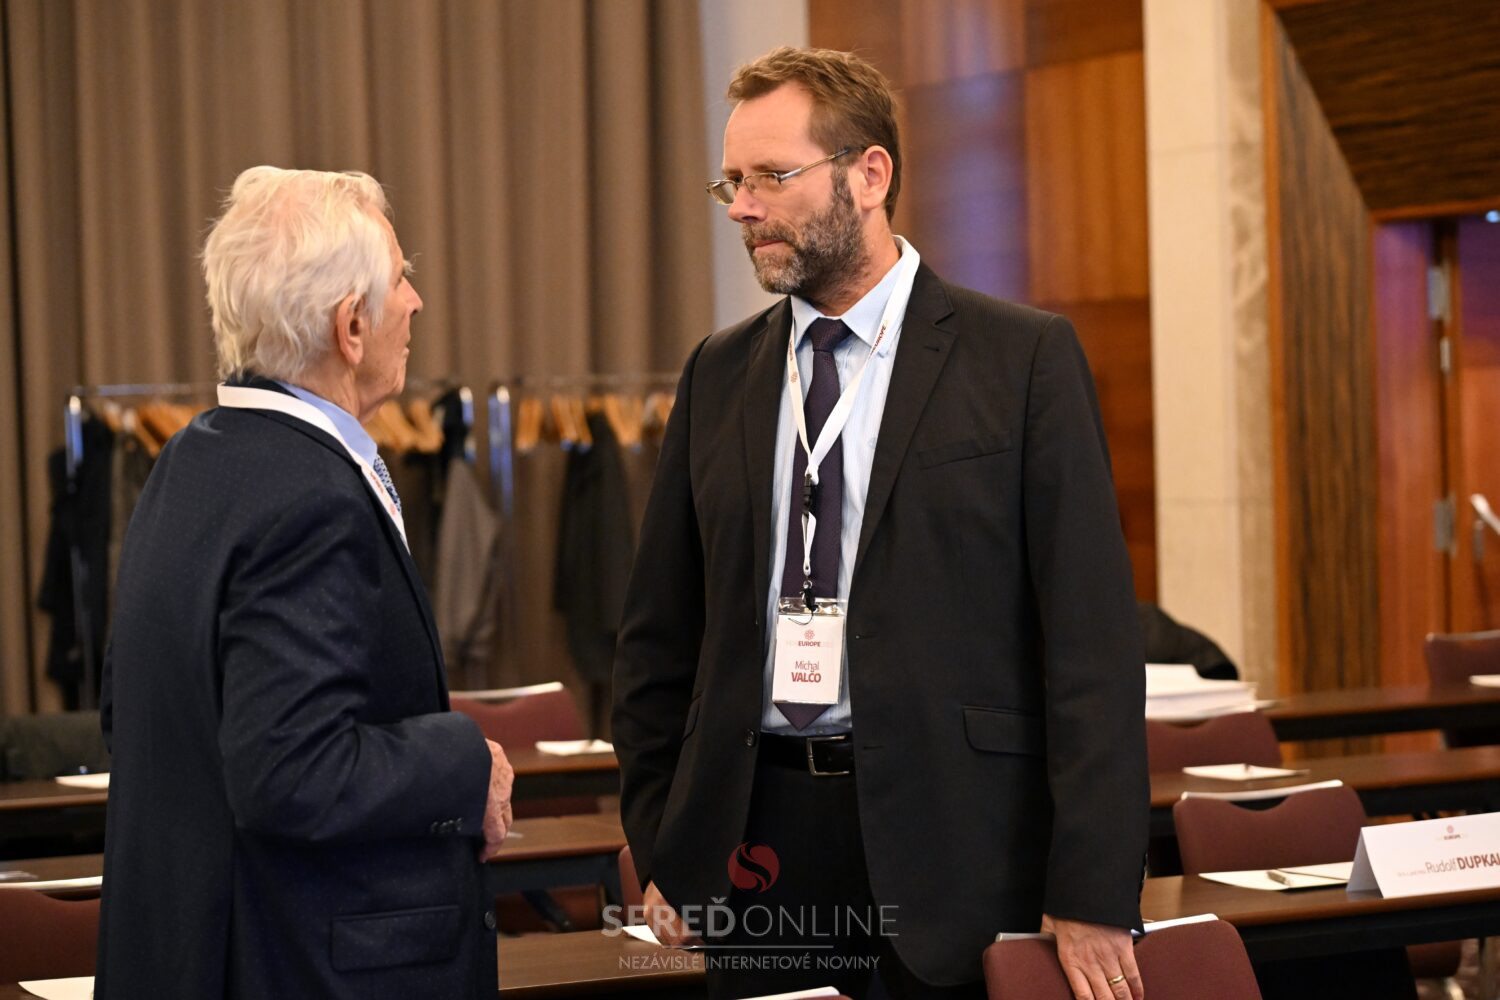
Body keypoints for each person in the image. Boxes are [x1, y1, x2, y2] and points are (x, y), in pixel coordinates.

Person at [612, 47, 1148, 1000]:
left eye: (770, 177)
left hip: (959, 848)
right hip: (756, 848)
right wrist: (666, 839)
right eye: (732, 182)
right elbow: (659, 636)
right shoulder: (718, 374)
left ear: (869, 174)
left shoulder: (1020, 360)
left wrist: (1093, 885)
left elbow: (1092, 648)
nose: (741, 208)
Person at [96, 166, 513, 999]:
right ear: (350, 326)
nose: (416, 301)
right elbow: (293, 771)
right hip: (298, 966)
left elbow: (124, 716)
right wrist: (467, 760)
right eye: (401, 277)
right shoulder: (309, 495)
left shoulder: (191, 458)